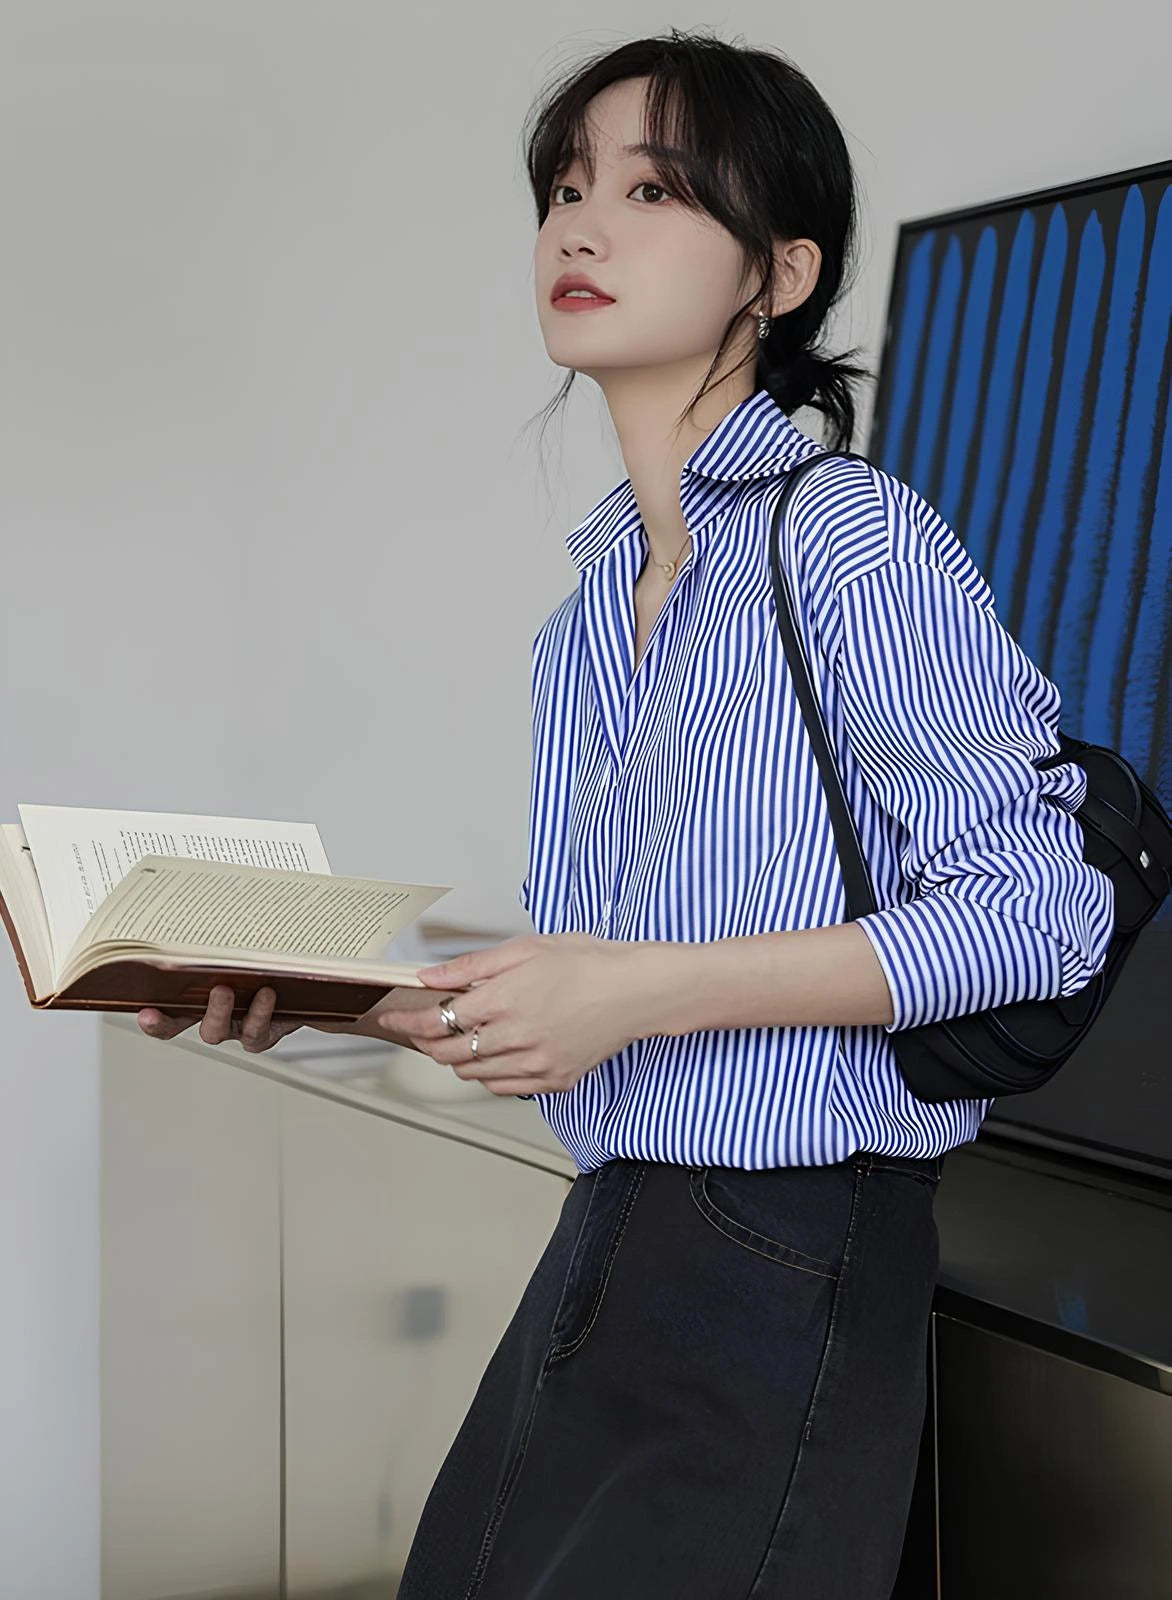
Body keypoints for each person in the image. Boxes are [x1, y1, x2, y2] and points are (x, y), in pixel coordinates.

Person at [138, 28, 1114, 1599]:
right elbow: (597, 1014)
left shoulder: (850, 539)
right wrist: (353, 1007)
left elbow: (1039, 913)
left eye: (655, 192)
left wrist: (641, 989)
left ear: (777, 275)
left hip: (791, 1259)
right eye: (568, 188)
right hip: (611, 1241)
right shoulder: (593, 616)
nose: (581, 226)